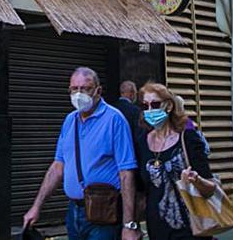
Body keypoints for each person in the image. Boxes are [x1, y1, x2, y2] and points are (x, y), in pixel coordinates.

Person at [23, 67, 141, 240]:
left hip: (104, 213)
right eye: (74, 89)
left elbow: (126, 172)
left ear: (98, 91)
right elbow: (58, 167)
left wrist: (129, 224)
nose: (79, 94)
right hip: (74, 212)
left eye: (85, 88)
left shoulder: (114, 120)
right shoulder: (70, 120)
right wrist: (36, 206)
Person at [134, 82, 216, 240]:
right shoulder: (142, 143)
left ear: (169, 106)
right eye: (145, 106)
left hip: (191, 228)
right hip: (157, 230)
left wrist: (196, 180)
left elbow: (210, 188)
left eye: (155, 104)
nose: (150, 111)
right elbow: (141, 190)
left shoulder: (188, 138)